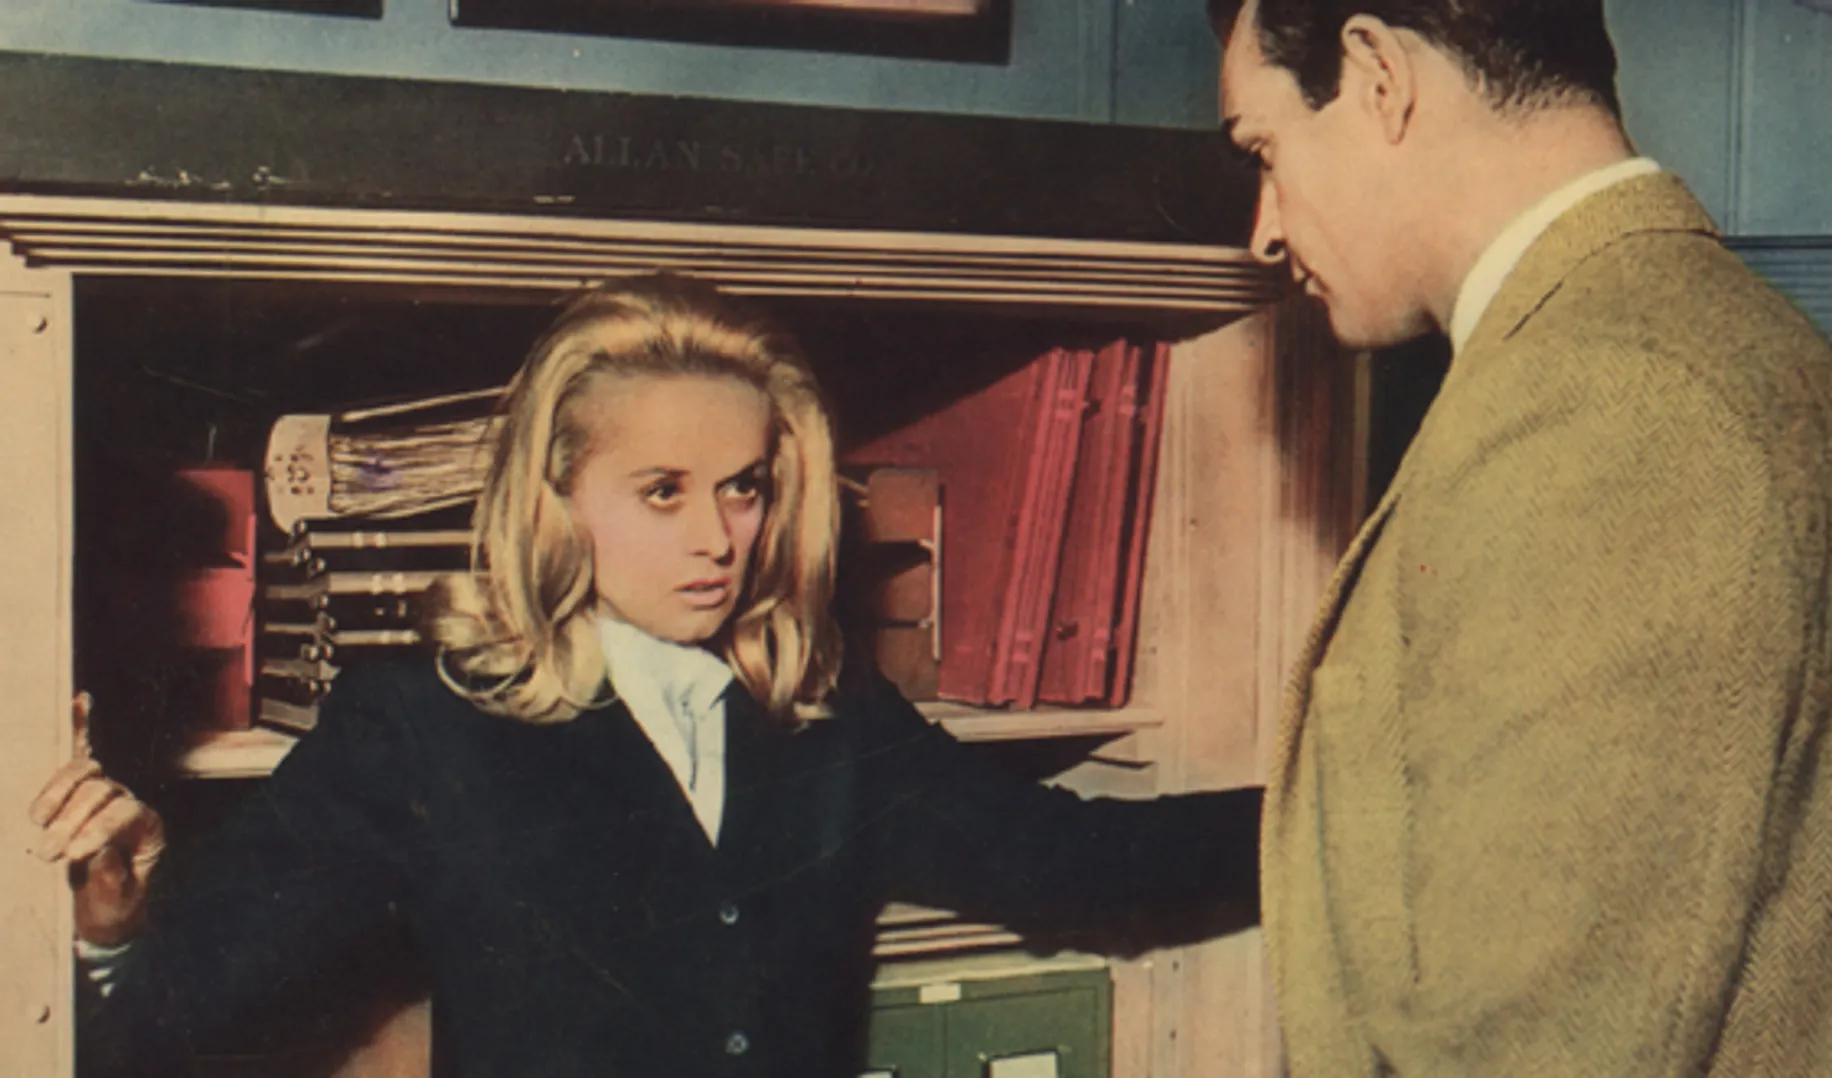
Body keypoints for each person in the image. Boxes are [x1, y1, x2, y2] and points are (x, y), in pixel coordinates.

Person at [29, 274, 1261, 1078]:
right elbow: (179, 1009)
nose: (718, 537)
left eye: (744, 486)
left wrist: (1337, 804)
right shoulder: (422, 726)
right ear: (558, 497)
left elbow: (1085, 861)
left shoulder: (830, 716)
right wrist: (116, 929)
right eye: (661, 491)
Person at [1211, 0, 1832, 1073]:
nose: (1263, 227)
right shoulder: (1731, 343)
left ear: (1378, 77)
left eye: (1264, 150)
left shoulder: (1611, 405)